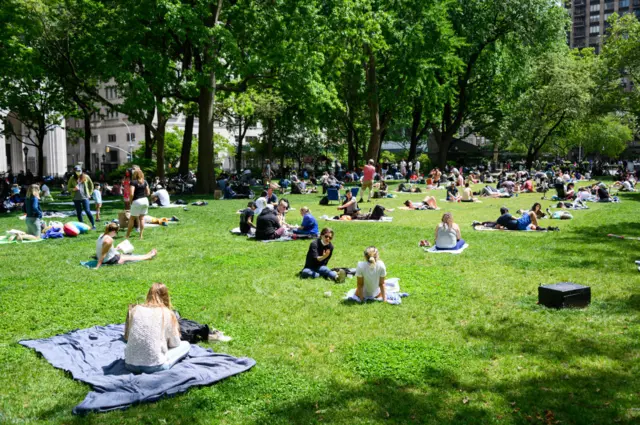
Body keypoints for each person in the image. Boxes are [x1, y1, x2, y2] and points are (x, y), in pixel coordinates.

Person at [124, 283, 190, 373]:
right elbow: (175, 343)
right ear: (166, 296)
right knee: (185, 345)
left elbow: (127, 337)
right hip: (155, 366)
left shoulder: (135, 309)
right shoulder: (167, 313)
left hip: (129, 364)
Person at [67, 165, 96, 229]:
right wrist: (73, 189)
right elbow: (68, 188)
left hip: (85, 197)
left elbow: (91, 186)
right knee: (79, 212)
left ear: (81, 170)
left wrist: (90, 194)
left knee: (87, 211)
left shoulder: (86, 177)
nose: (78, 172)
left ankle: (93, 225)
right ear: (74, 171)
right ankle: (82, 226)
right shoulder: (72, 178)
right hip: (76, 198)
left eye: (79, 170)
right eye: (77, 171)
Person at [126, 169, 150, 239]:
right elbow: (148, 193)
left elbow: (131, 194)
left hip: (137, 201)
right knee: (142, 218)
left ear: (135, 175)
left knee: (132, 218)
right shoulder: (145, 182)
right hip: (145, 200)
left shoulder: (133, 182)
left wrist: (130, 201)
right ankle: (141, 235)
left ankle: (127, 235)